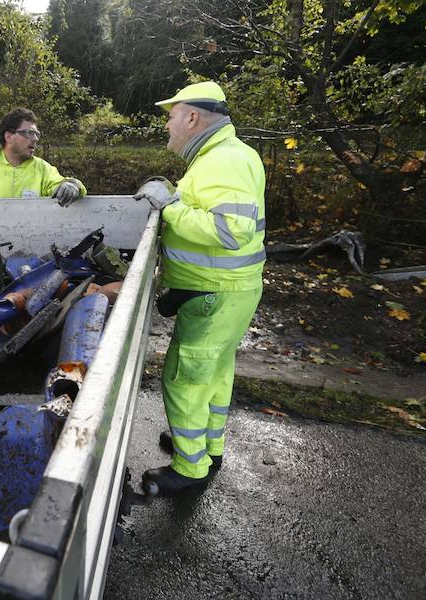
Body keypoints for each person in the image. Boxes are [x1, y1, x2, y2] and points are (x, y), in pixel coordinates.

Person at [132, 81, 266, 496]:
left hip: (217, 293)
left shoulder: (223, 161)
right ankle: (208, 448)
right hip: (224, 291)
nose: (167, 125)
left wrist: (169, 205)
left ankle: (189, 469)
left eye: (171, 116)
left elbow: (230, 232)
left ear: (192, 117)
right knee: (214, 373)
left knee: (184, 378)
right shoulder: (221, 155)